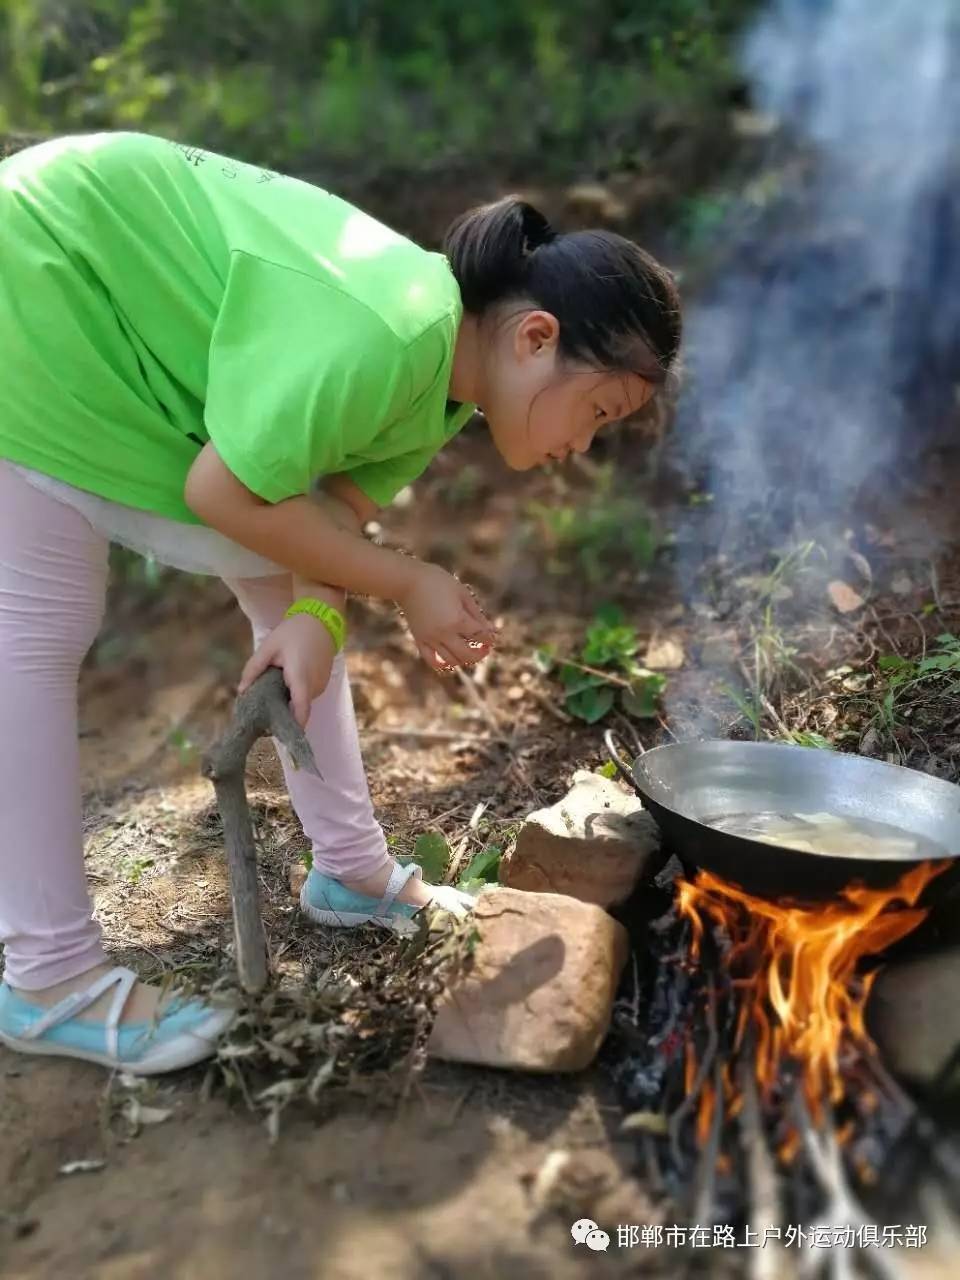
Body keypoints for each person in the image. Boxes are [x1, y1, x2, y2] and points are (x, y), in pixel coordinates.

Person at [0, 132, 682, 1074]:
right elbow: (226, 496)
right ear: (537, 338)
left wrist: (317, 617)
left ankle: (351, 871)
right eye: (600, 411)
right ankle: (48, 978)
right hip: (41, 269)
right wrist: (409, 583)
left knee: (282, 580)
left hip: (95, 286)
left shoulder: (443, 388)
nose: (586, 444)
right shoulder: (393, 335)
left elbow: (323, 516)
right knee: (37, 631)